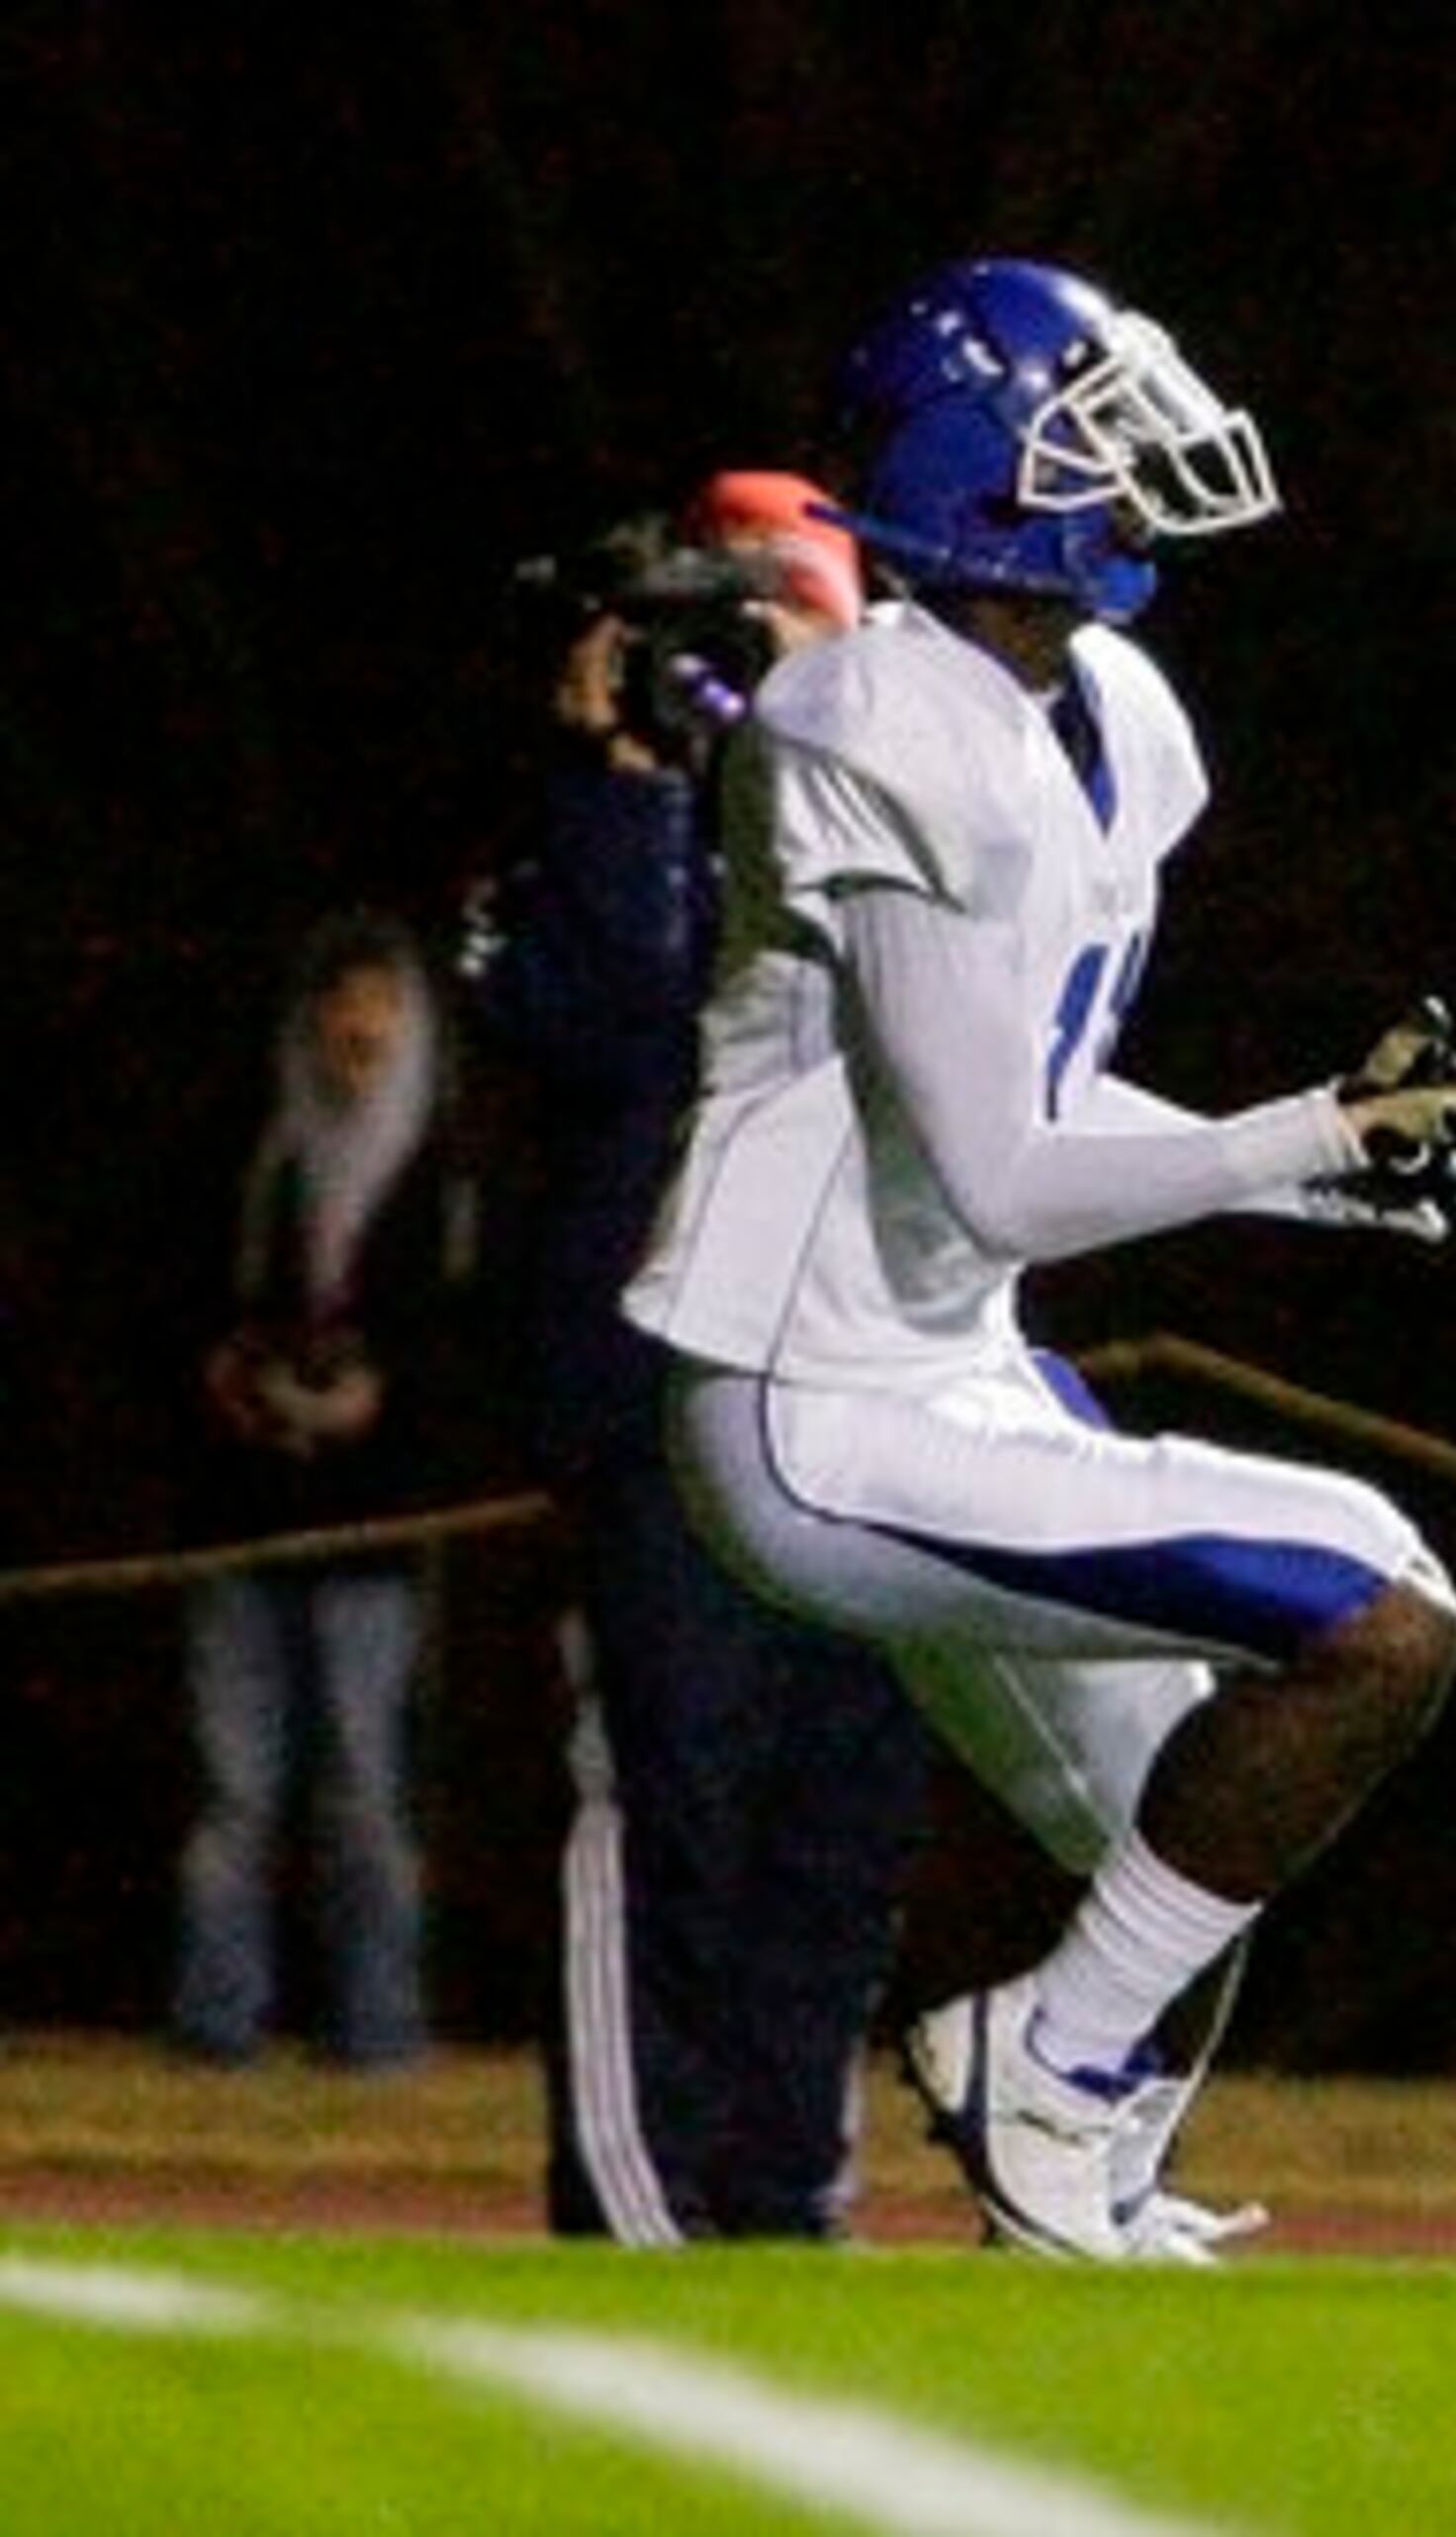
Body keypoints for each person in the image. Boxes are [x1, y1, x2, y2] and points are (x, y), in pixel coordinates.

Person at [622, 257, 1456, 2260]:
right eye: (1096, 426)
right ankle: (1036, 2078)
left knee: (1184, 1828)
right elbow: (999, 1169)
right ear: (985, 471)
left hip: (942, 1363)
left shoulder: (1110, 713)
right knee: (1379, 1610)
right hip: (805, 1402)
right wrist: (1302, 1134)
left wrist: (1331, 1174)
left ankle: (1069, 2188)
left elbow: (1042, 1090)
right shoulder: (870, 712)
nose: (1148, 462)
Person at [465, 473, 938, 2240]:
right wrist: (621, 778)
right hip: (670, 1396)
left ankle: (785, 2192)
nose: (732, 660)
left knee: (842, 1824)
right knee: (671, 1800)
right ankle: (643, 2203)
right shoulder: (589, 818)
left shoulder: (918, 797)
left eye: (775, 618)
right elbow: (605, 1027)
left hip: (883, 1387)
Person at [171, 907, 478, 2071]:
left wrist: (374, 1404)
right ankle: (217, 2030)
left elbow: (453, 1344)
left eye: (381, 1005)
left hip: (372, 1535)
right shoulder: (259, 1157)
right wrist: (248, 1389)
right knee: (233, 1798)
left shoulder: (440, 1174)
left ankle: (379, 2035)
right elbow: (193, 1312)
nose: (358, 1026)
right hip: (245, 1523)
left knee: (365, 1792)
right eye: (341, 1004)